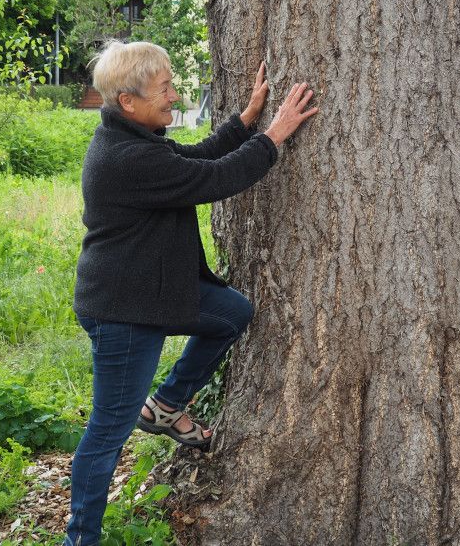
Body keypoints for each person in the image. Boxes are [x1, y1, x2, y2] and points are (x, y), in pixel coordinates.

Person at [64, 41, 318, 546]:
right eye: (165, 90)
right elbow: (213, 177)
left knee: (231, 312)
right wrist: (275, 134)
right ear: (127, 102)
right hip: (126, 313)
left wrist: (244, 122)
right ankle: (80, 539)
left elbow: (194, 156)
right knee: (107, 435)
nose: (175, 97)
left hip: (151, 293)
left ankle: (165, 405)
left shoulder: (133, 140)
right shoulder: (128, 158)